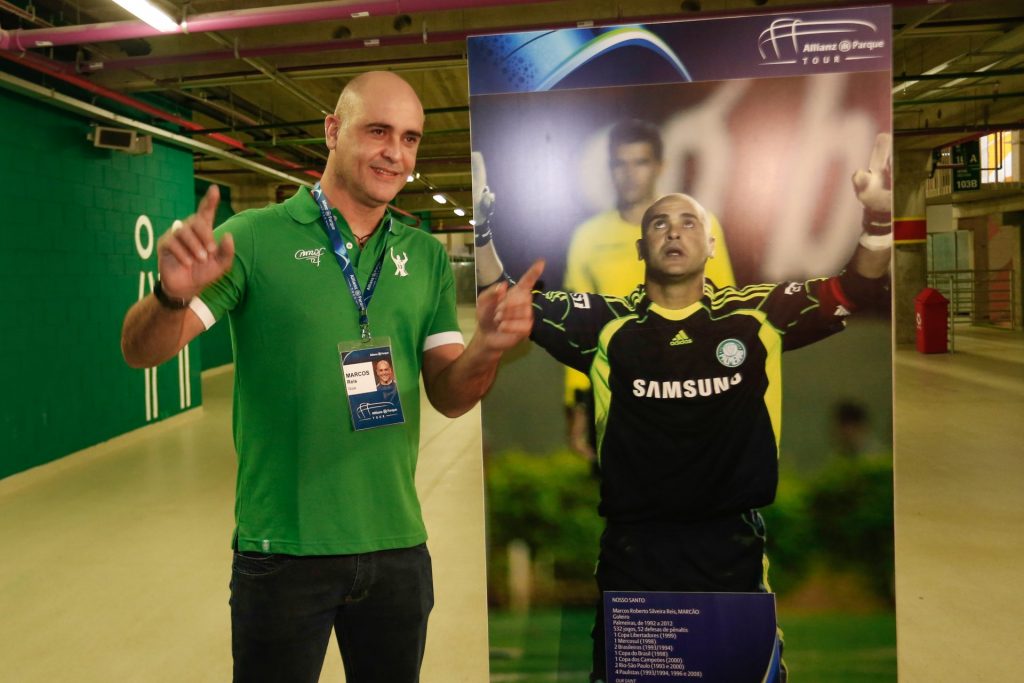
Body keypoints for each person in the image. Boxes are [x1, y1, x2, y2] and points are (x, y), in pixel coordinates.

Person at [121, 71, 543, 683]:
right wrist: (169, 296)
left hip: (397, 547)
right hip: (283, 553)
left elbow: (450, 396)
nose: (395, 153)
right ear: (332, 130)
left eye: (410, 138)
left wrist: (488, 348)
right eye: (378, 131)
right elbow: (144, 352)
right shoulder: (254, 239)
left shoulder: (422, 256)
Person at [474, 133, 893, 682]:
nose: (674, 231)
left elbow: (855, 289)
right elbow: (506, 303)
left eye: (689, 222)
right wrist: (479, 230)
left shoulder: (755, 317)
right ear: (641, 249)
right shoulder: (606, 325)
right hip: (635, 552)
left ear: (713, 245)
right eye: (659, 224)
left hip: (730, 550)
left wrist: (880, 222)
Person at [562, 120, 735, 460]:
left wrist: (730, 393)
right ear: (610, 168)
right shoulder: (587, 237)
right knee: (628, 507)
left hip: (694, 392)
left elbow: (727, 313)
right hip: (617, 399)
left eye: (640, 162)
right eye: (619, 163)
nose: (629, 173)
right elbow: (578, 330)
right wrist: (579, 405)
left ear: (660, 167)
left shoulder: (700, 226)